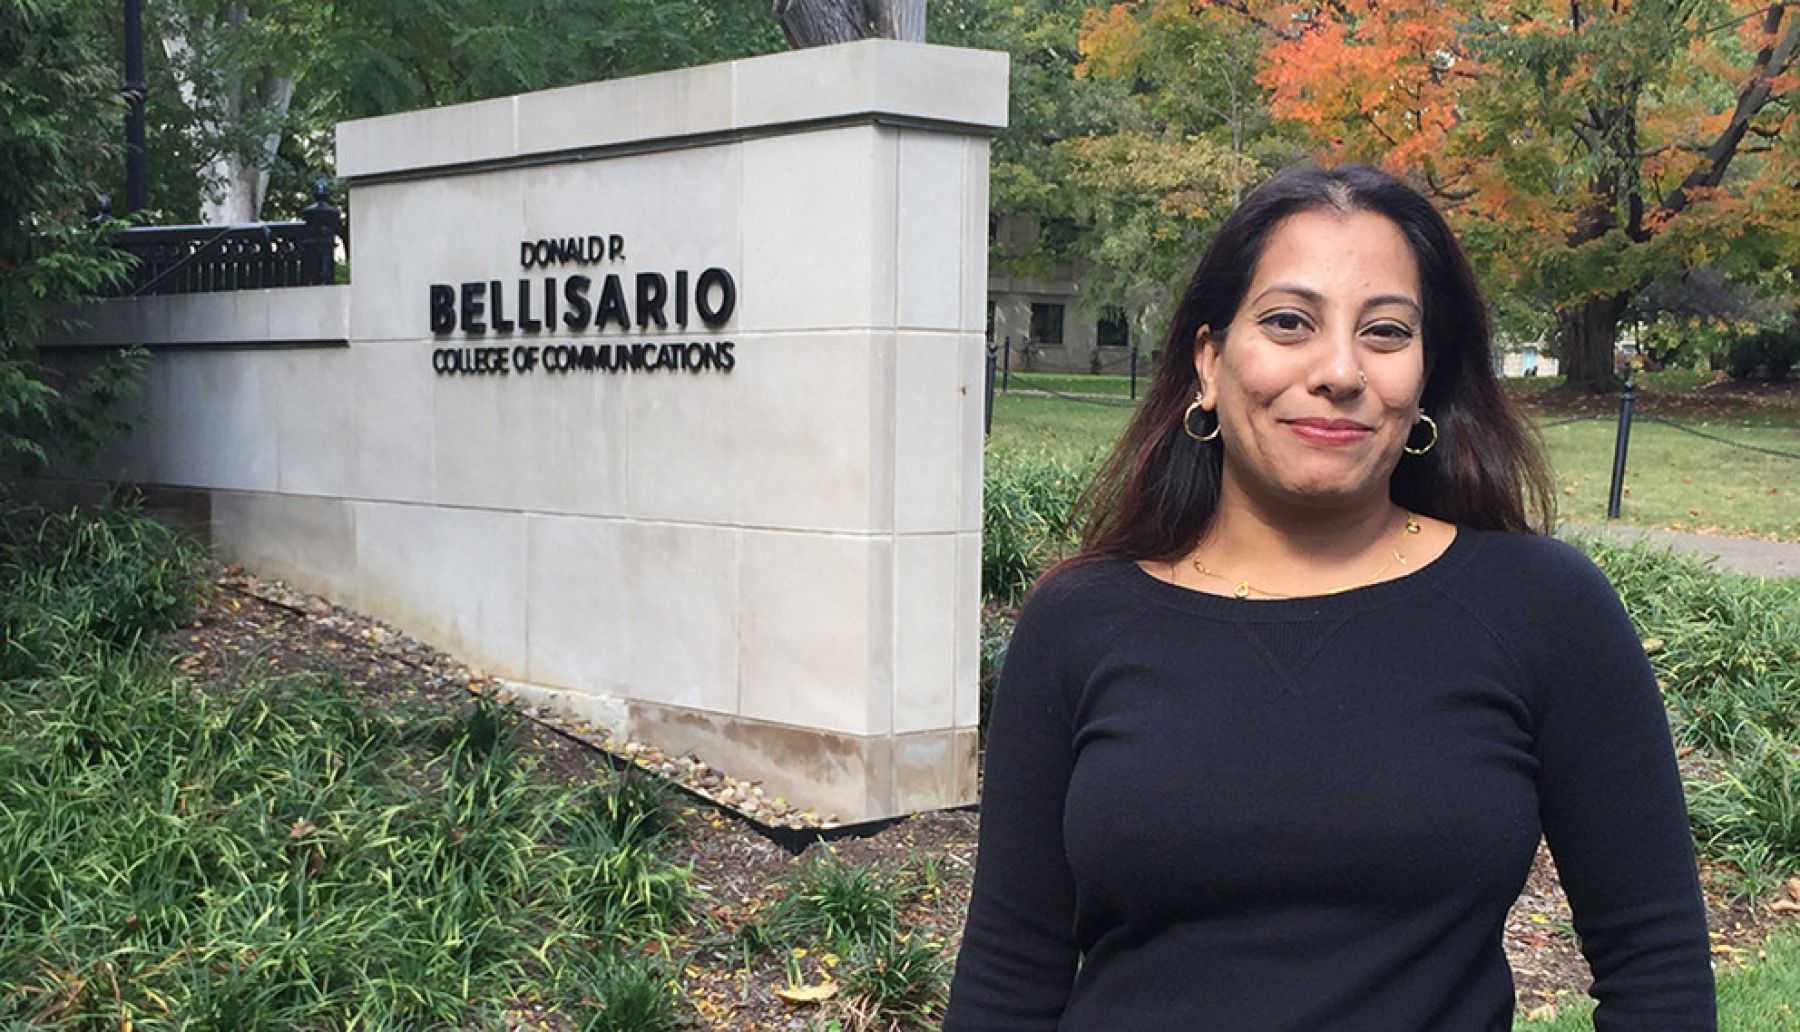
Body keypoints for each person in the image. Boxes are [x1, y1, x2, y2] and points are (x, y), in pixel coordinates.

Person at [944, 164, 1714, 1031]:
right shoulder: (1079, 621)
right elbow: (1011, 975)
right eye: (1288, 322)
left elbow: (1658, 973)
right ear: (1209, 360)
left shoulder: (1541, 609)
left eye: (1386, 332)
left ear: (1423, 378)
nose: (1340, 370)